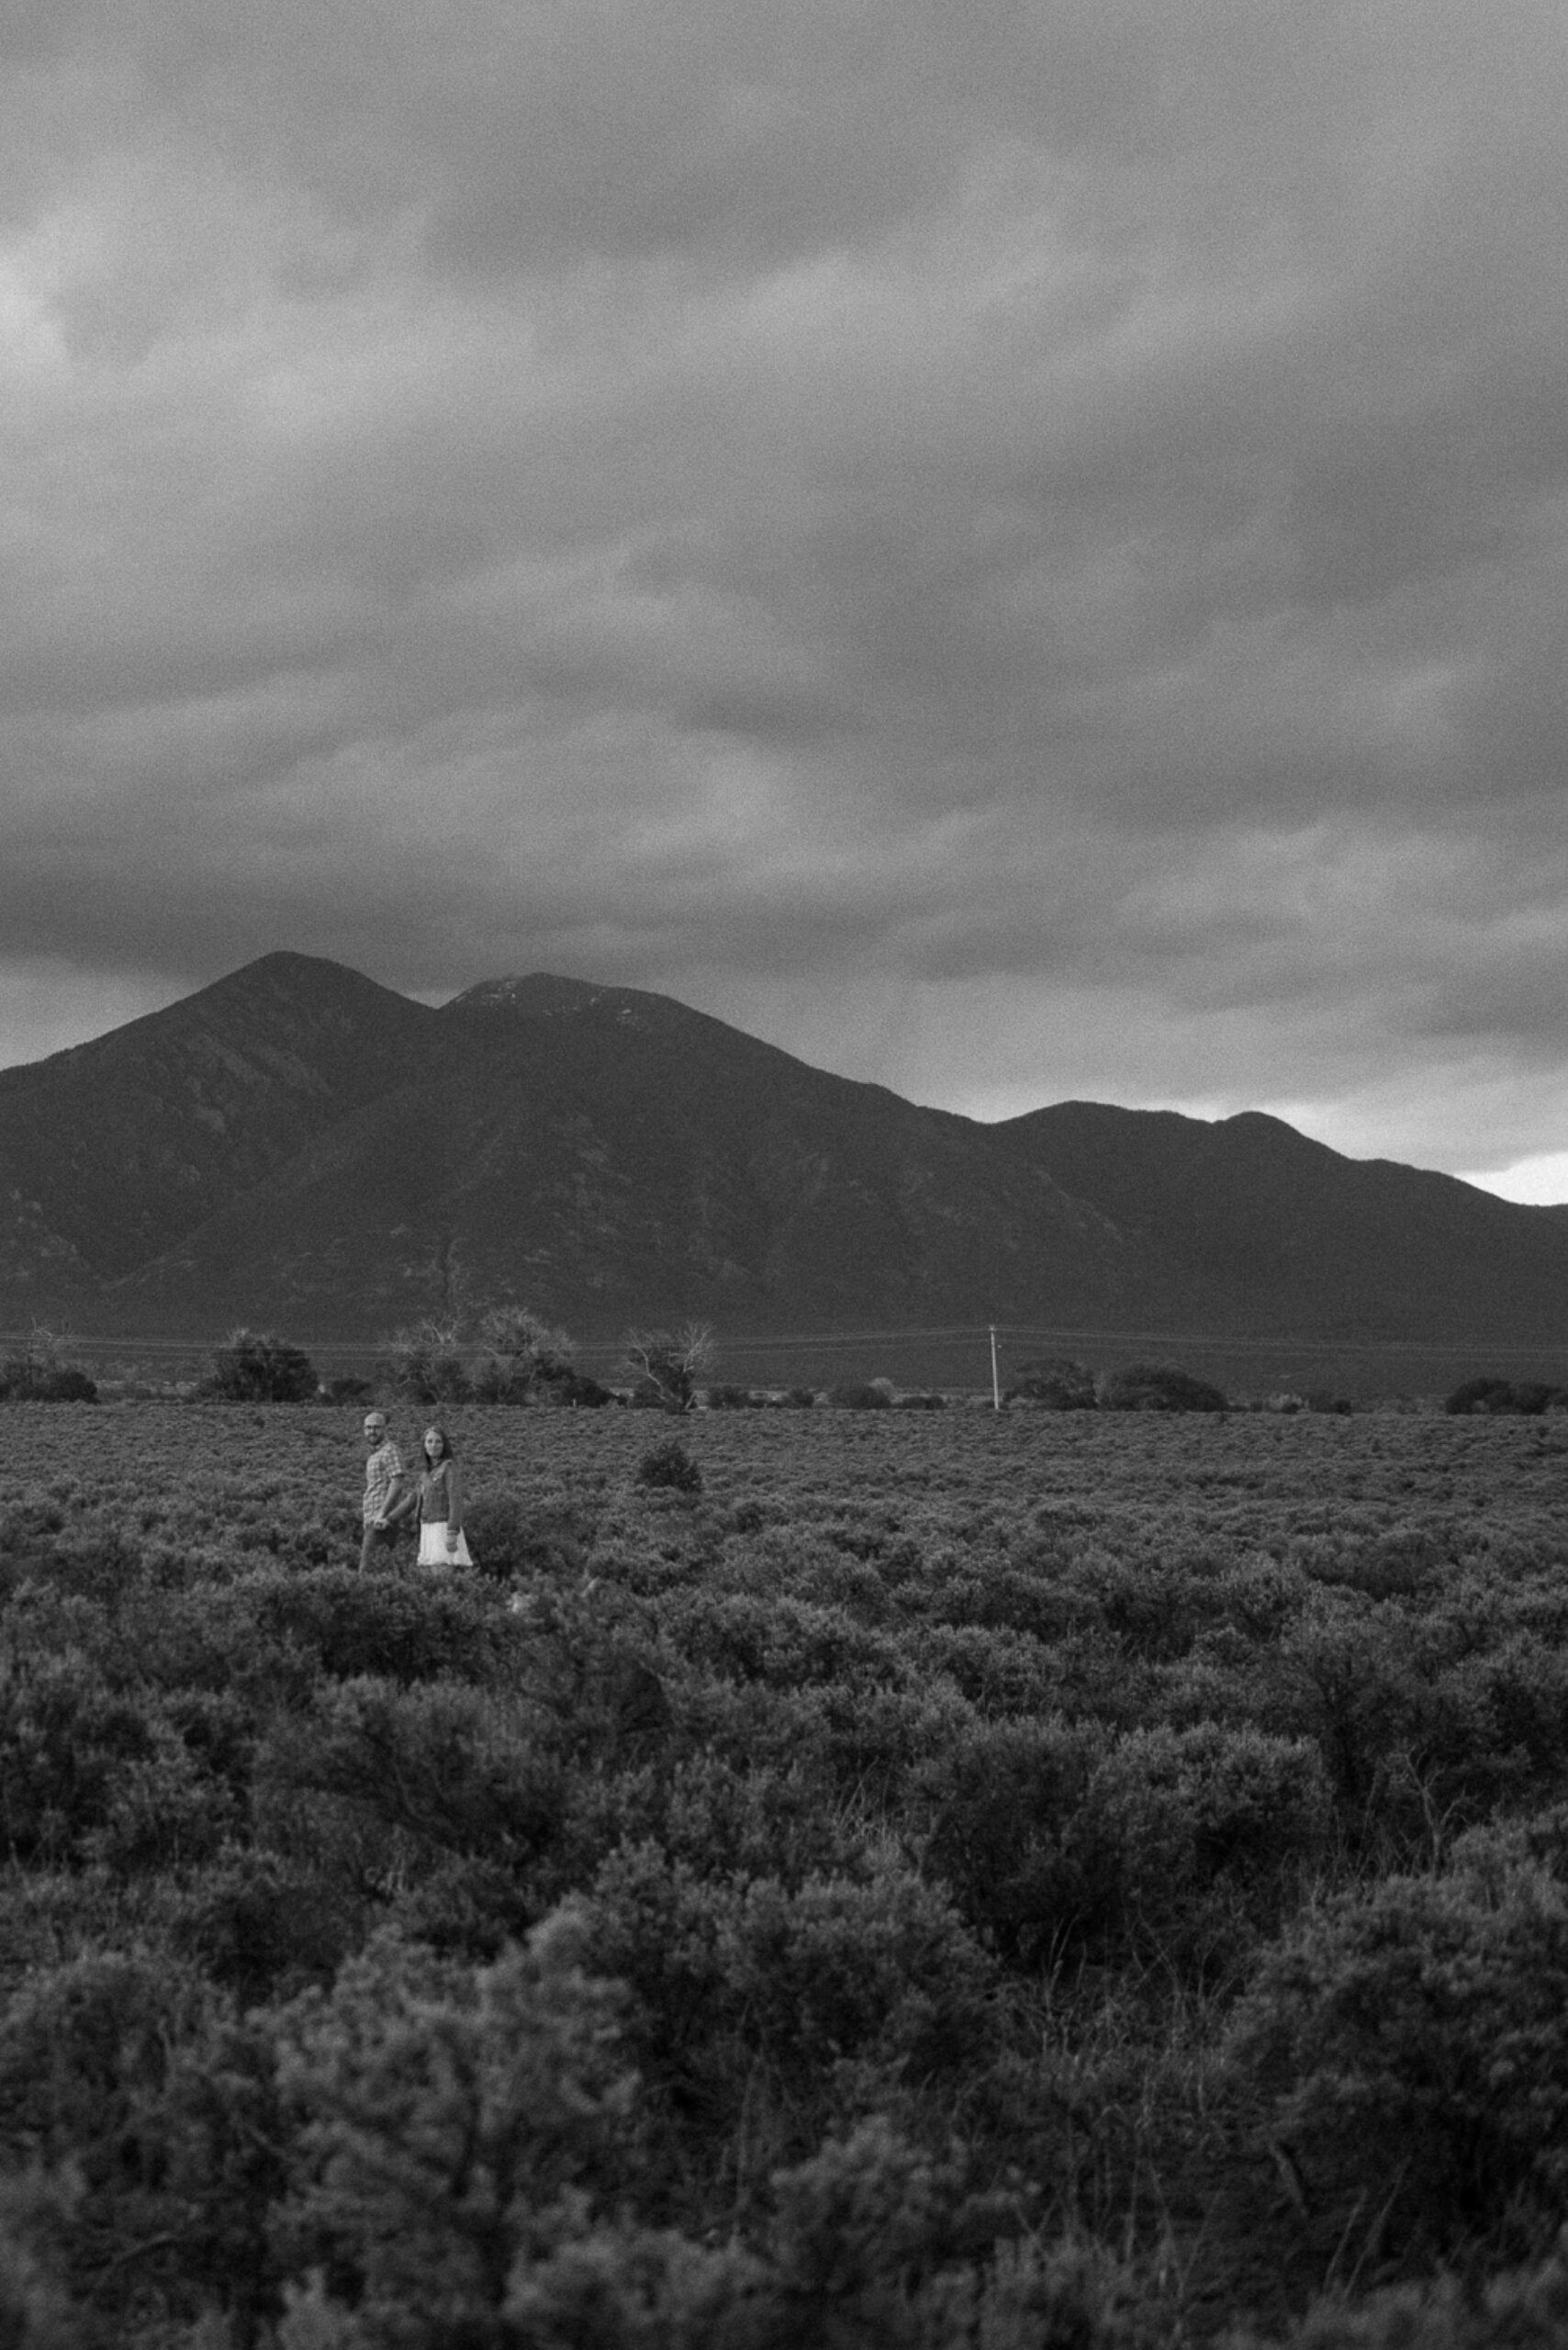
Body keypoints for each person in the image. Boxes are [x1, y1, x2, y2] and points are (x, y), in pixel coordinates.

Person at [414, 1425, 473, 1568]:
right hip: (428, 1528)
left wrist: (452, 1531)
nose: (433, 1445)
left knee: (442, 1569)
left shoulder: (449, 1468)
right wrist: (389, 1518)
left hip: (443, 1527)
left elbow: (455, 1500)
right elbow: (412, 1499)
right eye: (429, 1441)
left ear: (444, 1445)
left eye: (438, 1441)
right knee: (430, 1574)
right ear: (424, 1445)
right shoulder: (426, 1474)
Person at [359, 1410, 409, 1571]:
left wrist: (381, 1513)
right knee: (378, 1570)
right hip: (371, 1519)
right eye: (368, 1428)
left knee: (366, 1570)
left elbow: (397, 1482)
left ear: (385, 1429)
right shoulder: (375, 1455)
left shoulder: (390, 1451)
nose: (372, 1432)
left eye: (376, 1427)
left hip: (381, 1522)